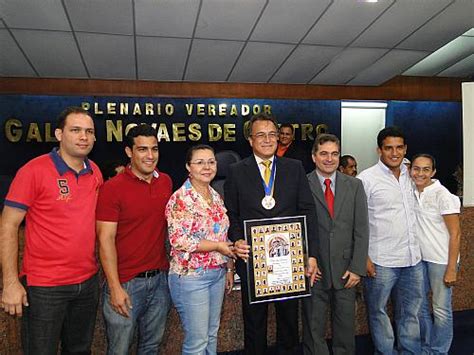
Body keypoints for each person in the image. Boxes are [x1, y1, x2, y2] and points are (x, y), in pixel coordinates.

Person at [0, 106, 103, 354]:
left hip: (87, 283)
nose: (83, 137)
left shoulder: (95, 172)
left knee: (79, 350)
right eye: (76, 130)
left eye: (89, 131)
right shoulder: (33, 171)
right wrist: (11, 283)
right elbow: (8, 224)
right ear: (59, 134)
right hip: (45, 287)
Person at [224, 113, 318, 355]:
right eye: (260, 135)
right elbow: (231, 214)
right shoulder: (236, 171)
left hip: (289, 259)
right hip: (253, 258)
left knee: (288, 320)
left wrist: (311, 254)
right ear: (250, 140)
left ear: (278, 138)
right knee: (254, 321)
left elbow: (307, 211)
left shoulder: (294, 167)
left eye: (272, 134)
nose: (267, 140)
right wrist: (237, 239)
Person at [96, 124, 171, 354]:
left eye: (154, 149)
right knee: (119, 349)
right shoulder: (112, 188)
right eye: (142, 149)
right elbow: (105, 239)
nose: (150, 156)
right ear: (129, 152)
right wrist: (115, 286)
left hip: (159, 281)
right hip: (126, 283)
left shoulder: (166, 182)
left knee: (151, 347)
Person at [357, 126, 423, 354]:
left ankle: (410, 351)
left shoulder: (414, 174)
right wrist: (363, 257)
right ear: (379, 150)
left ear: (405, 149)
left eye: (399, 148)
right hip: (381, 260)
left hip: (413, 259)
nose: (394, 153)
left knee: (411, 313)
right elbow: (358, 221)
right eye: (388, 148)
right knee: (378, 312)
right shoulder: (366, 179)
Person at [166, 144, 235, 355]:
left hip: (217, 273)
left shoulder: (215, 196)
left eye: (211, 162)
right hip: (191, 277)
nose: (207, 167)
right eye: (200, 162)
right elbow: (179, 239)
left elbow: (223, 235)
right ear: (189, 167)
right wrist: (216, 247)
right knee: (197, 341)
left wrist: (229, 267)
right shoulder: (180, 199)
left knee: (212, 334)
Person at [303, 134, 369, 355]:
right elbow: (297, 228)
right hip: (315, 271)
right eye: (323, 154)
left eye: (334, 154)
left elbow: (361, 229)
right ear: (314, 157)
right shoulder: (302, 184)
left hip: (346, 271)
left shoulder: (355, 186)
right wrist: (305, 260)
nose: (329, 159)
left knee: (345, 329)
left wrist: (357, 268)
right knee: (314, 330)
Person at [410, 154, 461, 355]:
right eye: (416, 168)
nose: (420, 173)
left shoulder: (444, 195)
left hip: (441, 261)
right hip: (420, 260)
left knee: (440, 310)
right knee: (420, 306)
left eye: (425, 169)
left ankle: (439, 351)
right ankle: (426, 347)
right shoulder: (411, 191)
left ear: (433, 172)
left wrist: (451, 269)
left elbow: (456, 234)